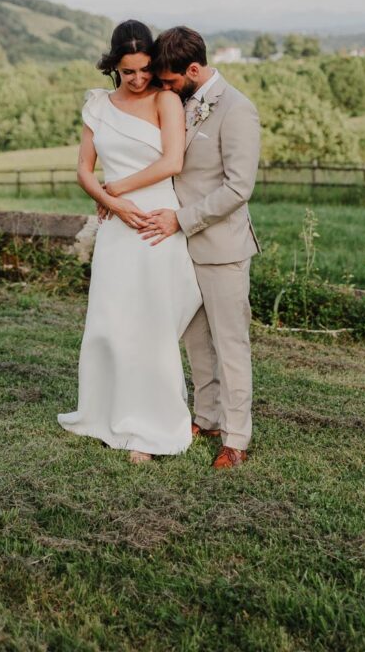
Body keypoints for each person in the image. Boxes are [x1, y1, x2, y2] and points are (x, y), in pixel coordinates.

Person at [57, 20, 202, 463]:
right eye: (128, 71)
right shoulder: (98, 105)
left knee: (151, 327)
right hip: (117, 228)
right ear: (113, 66)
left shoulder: (166, 100)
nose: (138, 79)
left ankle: (151, 429)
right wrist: (108, 201)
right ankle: (105, 415)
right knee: (110, 320)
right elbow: (84, 168)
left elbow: (172, 161)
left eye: (144, 70)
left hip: (155, 223)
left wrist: (116, 191)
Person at [141, 26, 261, 469]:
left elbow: (238, 188)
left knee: (231, 345)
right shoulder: (181, 102)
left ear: (193, 69)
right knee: (196, 344)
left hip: (221, 248)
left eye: (171, 81)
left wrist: (182, 219)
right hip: (179, 249)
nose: (165, 89)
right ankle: (206, 417)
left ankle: (236, 438)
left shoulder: (238, 110)